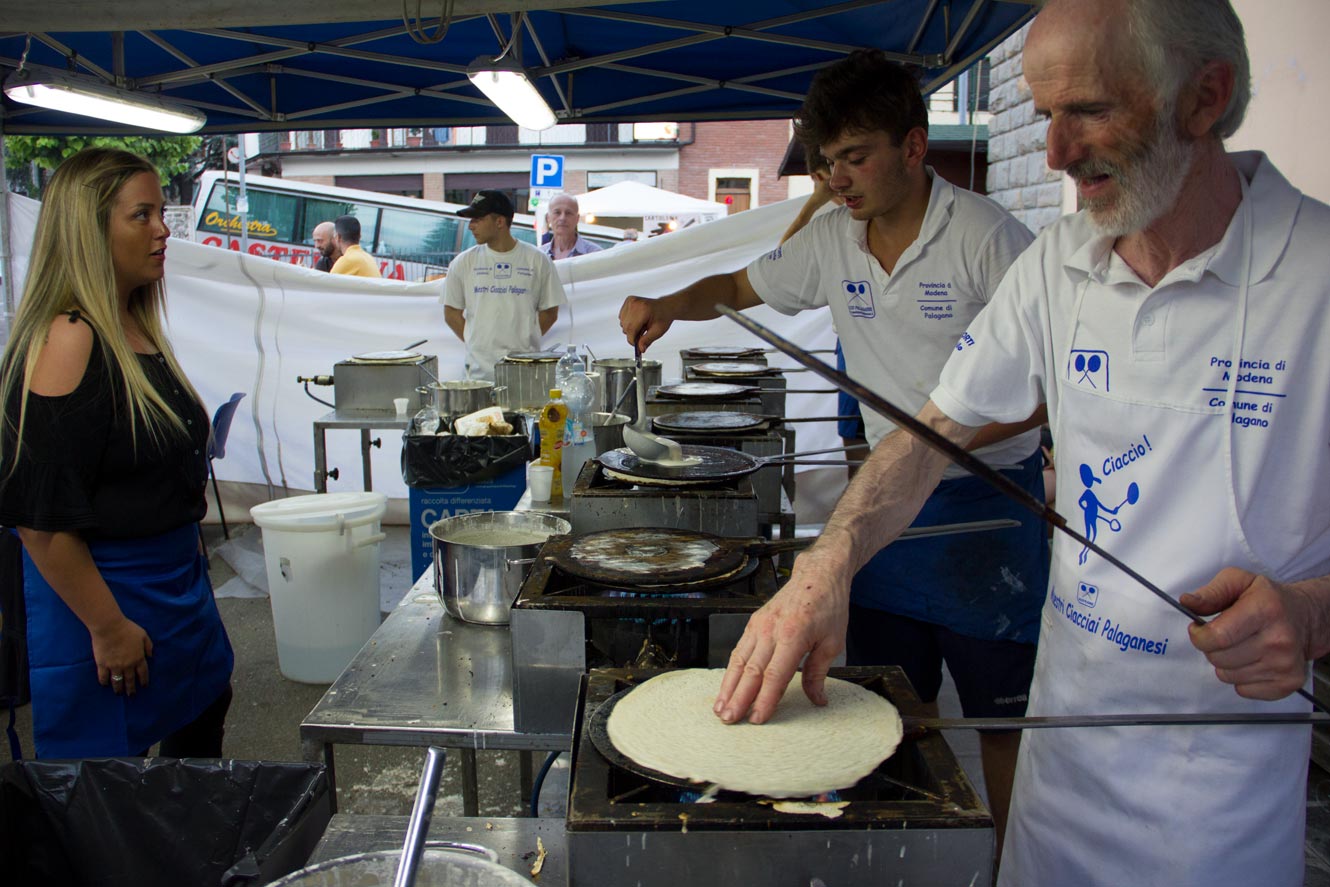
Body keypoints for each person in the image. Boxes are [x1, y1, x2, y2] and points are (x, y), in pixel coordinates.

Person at [713, 1, 1330, 884]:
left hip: (1217, 801)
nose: (1055, 153)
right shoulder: (1059, 263)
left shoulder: (1315, 274)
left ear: (1206, 97)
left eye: (1088, 110)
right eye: (1044, 115)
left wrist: (1311, 612)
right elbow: (931, 433)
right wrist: (828, 564)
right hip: (1061, 762)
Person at [619, 49, 1046, 848]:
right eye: (827, 162)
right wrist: (669, 302)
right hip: (883, 512)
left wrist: (941, 433)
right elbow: (741, 287)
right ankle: (912, 853)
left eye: (856, 157)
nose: (838, 179)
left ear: (914, 147)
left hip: (989, 514)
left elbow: (1049, 383)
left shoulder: (989, 239)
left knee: (999, 714)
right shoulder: (830, 240)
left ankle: (1011, 861)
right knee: (893, 703)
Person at [0, 148, 234, 759]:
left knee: (202, 724)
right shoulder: (68, 338)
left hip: (176, 585)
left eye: (159, 212)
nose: (162, 230)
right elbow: (41, 521)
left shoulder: (134, 325)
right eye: (143, 216)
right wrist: (107, 628)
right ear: (89, 229)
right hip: (110, 599)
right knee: (107, 791)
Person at [778, 148, 868, 479]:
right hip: (849, 342)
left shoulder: (862, 215)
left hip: (867, 345)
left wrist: (815, 201)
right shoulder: (838, 224)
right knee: (853, 431)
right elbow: (782, 263)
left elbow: (782, 254)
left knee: (861, 437)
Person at [443, 190, 566, 381]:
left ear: (500, 222)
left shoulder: (537, 261)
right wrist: (476, 341)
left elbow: (550, 312)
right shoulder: (463, 263)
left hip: (525, 374)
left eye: (477, 219)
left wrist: (525, 339)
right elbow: (451, 313)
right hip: (478, 377)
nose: (470, 226)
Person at [540, 193, 602, 260]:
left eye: (568, 213)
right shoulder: (539, 255)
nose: (562, 218)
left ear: (577, 219)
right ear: (548, 218)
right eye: (557, 212)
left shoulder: (595, 255)